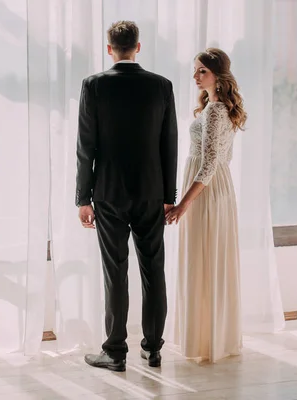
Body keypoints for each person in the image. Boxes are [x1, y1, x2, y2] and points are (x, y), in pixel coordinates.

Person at [75, 20, 178, 371]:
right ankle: (153, 349)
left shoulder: (94, 85)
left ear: (109, 49)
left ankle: (115, 351)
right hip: (151, 192)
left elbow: (85, 147)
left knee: (114, 272)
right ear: (138, 47)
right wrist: (169, 194)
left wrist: (82, 199)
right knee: (154, 270)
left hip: (108, 192)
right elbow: (170, 145)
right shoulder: (161, 86)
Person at [166, 48, 246, 363]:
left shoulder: (215, 110)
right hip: (217, 187)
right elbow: (222, 160)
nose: (196, 76)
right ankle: (211, 336)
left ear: (217, 75)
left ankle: (205, 340)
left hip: (206, 190)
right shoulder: (218, 107)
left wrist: (183, 204)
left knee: (204, 258)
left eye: (202, 71)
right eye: (196, 70)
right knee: (210, 259)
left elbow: (210, 163)